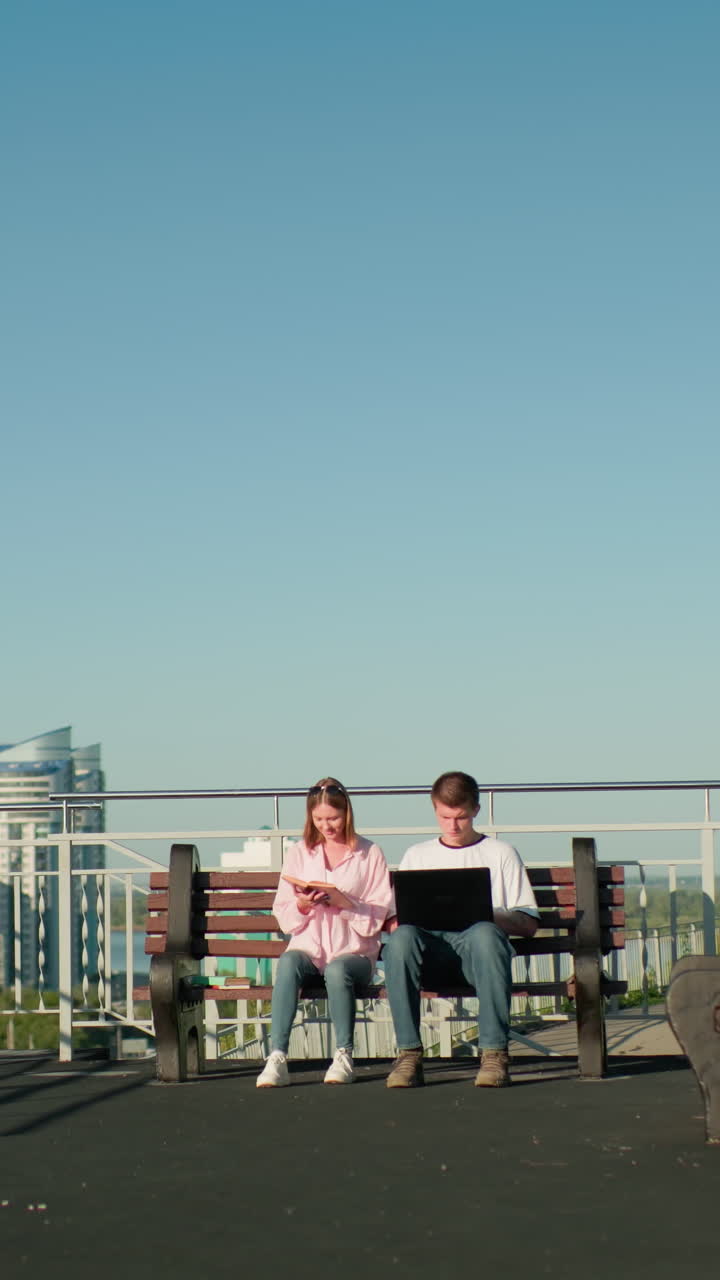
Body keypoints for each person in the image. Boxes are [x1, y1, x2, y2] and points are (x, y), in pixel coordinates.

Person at [383, 770, 539, 1089]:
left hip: (479, 958)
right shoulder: (418, 855)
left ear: (476, 811)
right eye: (444, 817)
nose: (453, 826)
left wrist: (489, 914)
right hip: (429, 958)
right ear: (434, 809)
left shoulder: (501, 854)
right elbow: (397, 921)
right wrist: (401, 920)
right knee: (401, 939)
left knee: (484, 932)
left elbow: (528, 925)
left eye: (461, 817)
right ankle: (409, 1053)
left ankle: (494, 1053)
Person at [257, 777, 393, 1088]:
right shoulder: (300, 852)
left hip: (354, 951)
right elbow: (284, 914)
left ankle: (343, 1054)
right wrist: (304, 905)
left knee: (337, 970)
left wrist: (345, 904)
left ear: (347, 813)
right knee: (289, 962)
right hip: (310, 946)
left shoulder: (370, 853)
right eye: (318, 819)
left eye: (333, 818)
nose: (327, 826)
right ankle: (277, 1056)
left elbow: (378, 914)